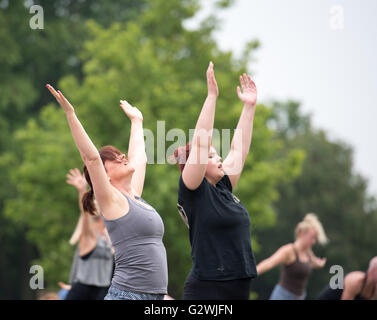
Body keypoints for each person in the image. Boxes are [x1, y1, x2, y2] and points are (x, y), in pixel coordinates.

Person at [46, 84, 168, 300]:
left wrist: (137, 121)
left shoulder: (135, 197)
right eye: (112, 158)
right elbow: (91, 158)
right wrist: (70, 114)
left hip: (153, 297)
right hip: (128, 296)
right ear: (104, 175)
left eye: (120, 154)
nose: (121, 157)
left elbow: (140, 157)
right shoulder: (112, 201)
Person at [175, 62, 258, 300]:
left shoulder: (222, 188)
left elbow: (239, 149)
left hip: (239, 287)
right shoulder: (193, 189)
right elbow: (201, 142)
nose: (219, 157)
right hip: (209, 290)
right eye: (212, 156)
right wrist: (211, 97)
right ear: (197, 164)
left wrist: (249, 107)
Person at [64, 168, 114, 300]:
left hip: (103, 290)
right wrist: (82, 190)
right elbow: (85, 213)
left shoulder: (110, 238)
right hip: (83, 290)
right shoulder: (90, 237)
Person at [256, 213, 328, 300]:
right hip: (282, 297)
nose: (314, 242)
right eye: (312, 237)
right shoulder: (289, 251)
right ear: (301, 234)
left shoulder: (308, 253)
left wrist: (320, 264)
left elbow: (314, 262)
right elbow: (269, 263)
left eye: (315, 238)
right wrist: (251, 274)